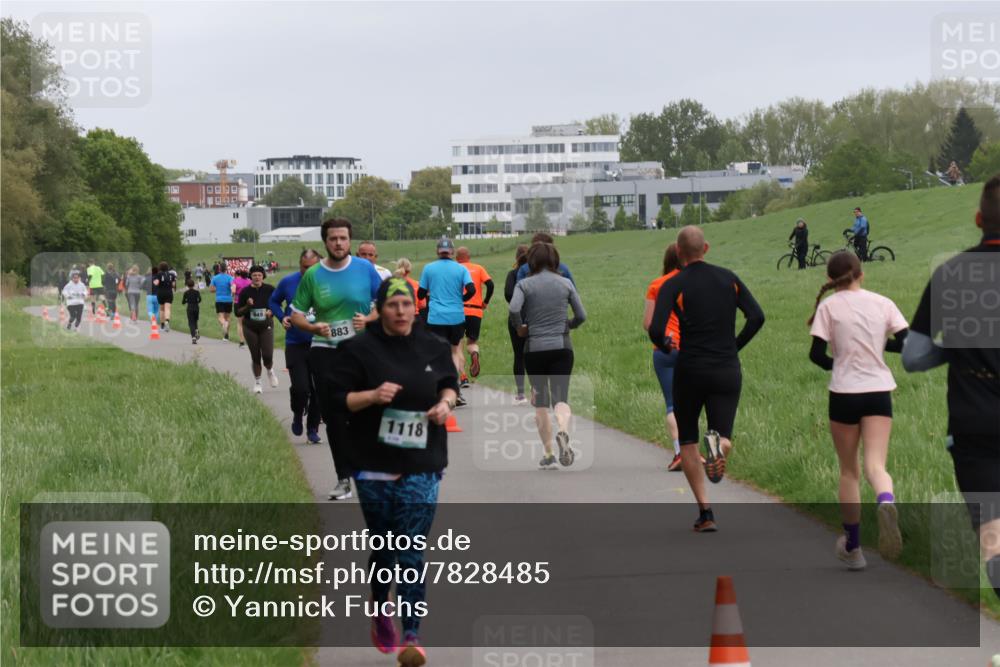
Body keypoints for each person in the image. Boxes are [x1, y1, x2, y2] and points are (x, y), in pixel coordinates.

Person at [327, 277, 459, 666]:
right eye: (392, 305)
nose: (401, 312)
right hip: (373, 465)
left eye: (406, 305)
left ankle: (413, 635)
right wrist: (371, 396)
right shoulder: (357, 350)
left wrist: (445, 404)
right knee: (385, 546)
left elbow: (450, 384)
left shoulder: (433, 346)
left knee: (410, 549)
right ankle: (381, 606)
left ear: (414, 308)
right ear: (380, 309)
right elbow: (337, 402)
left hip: (423, 461)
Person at [903, 174, 1000, 595]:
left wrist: (955, 349)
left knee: (994, 539)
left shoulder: (951, 273)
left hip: (974, 428)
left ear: (979, 218)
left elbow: (913, 356)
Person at [648, 226, 765, 532]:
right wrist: (734, 346)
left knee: (687, 440)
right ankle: (720, 447)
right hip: (726, 367)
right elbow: (757, 317)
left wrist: (665, 344)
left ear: (678, 250)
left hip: (690, 368)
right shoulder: (729, 278)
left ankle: (706, 512)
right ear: (706, 248)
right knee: (719, 430)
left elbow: (655, 327)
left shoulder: (673, 284)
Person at [807, 251, 908, 569]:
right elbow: (906, 343)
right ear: (861, 274)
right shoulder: (883, 302)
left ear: (830, 279)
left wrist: (839, 364)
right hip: (879, 392)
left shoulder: (828, 307)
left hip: (844, 394)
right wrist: (879, 347)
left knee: (849, 471)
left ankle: (853, 547)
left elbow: (815, 354)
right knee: (876, 465)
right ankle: (886, 502)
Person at [290, 218, 382, 501]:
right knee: (335, 417)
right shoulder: (313, 275)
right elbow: (296, 314)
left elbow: (385, 304)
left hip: (361, 351)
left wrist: (368, 319)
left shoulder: (365, 269)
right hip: (325, 352)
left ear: (350, 240)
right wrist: (313, 327)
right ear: (325, 242)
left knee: (365, 413)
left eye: (343, 238)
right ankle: (344, 478)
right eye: (333, 239)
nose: (339, 243)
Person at [509, 242, 587, 469]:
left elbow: (514, 309)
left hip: (534, 349)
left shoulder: (524, 285)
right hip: (561, 347)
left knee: (540, 401)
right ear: (555, 260)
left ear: (531, 261)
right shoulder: (565, 283)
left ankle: (549, 453)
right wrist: (568, 325)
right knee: (561, 398)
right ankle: (563, 430)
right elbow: (581, 315)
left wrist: (520, 327)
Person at [269, 248, 323, 444]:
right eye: (304, 267)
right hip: (296, 343)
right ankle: (297, 414)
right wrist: (282, 317)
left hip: (321, 344)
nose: (308, 271)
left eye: (313, 267)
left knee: (318, 390)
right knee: (301, 388)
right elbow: (273, 301)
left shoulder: (328, 282)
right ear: (299, 265)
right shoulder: (288, 282)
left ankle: (312, 428)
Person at [418, 237, 475, 406]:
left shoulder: (428, 268)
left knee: (436, 353)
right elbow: (471, 289)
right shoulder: (460, 268)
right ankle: (454, 390)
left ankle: (438, 389)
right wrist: (461, 299)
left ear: (437, 251)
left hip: (435, 317)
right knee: (454, 352)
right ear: (452, 252)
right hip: (456, 316)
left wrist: (429, 293)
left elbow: (420, 294)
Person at [644, 243, 684, 472]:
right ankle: (697, 450)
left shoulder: (656, 285)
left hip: (664, 349)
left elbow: (647, 324)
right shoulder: (692, 282)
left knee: (672, 403)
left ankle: (679, 452)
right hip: (691, 349)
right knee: (692, 403)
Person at [235, 265, 279, 394]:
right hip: (250, 326)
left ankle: (270, 371)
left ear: (263, 276)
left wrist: (272, 312)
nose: (257, 277)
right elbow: (237, 312)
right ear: (250, 277)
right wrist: (248, 306)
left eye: (259, 275)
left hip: (266, 325)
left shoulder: (270, 289)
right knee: (255, 356)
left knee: (267, 354)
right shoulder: (244, 292)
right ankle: (258, 382)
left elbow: (277, 305)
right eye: (254, 275)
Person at [456, 246, 494, 386]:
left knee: (457, 345)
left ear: (456, 257)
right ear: (469, 256)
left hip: (459, 310)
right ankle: (474, 353)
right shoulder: (478, 268)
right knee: (472, 342)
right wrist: (485, 302)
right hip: (476, 311)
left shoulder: (454, 268)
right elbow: (490, 285)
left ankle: (463, 377)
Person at [504, 245, 530, 405]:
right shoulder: (535, 273)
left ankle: (521, 393)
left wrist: (517, 301)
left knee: (519, 355)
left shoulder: (513, 274)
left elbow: (508, 294)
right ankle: (537, 390)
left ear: (516, 258)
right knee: (534, 355)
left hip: (516, 318)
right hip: (535, 316)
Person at [209, 267, 236, 340]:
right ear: (226, 269)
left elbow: (211, 290)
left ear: (219, 269)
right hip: (228, 300)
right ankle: (226, 335)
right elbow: (233, 287)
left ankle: (224, 324)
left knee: (221, 317)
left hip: (219, 299)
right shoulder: (230, 278)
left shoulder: (215, 278)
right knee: (228, 317)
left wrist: (217, 289)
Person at [152, 261, 176, 331]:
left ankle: (162, 326)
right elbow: (173, 285)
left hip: (160, 292)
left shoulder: (158, 274)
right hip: (169, 292)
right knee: (167, 308)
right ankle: (167, 321)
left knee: (162, 309)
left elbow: (156, 283)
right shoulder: (172, 275)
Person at [233, 269, 252, 348]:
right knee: (248, 322)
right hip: (248, 303)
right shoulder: (250, 281)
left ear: (240, 274)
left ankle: (241, 341)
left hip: (238, 302)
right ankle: (250, 339)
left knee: (239, 323)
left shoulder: (236, 280)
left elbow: (233, 290)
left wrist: (234, 295)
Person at [181, 279, 202, 344]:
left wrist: (187, 301)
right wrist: (196, 301)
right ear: (194, 285)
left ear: (187, 285)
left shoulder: (186, 293)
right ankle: (196, 330)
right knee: (195, 321)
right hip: (196, 307)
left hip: (189, 308)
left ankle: (193, 337)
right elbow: (200, 299)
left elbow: (183, 302)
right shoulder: (197, 292)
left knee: (191, 323)